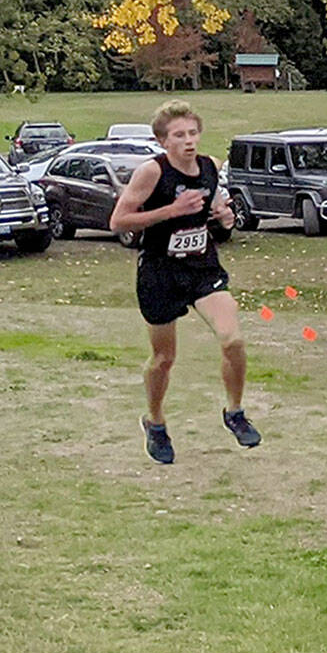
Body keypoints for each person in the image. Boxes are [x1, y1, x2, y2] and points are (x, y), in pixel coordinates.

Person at [110, 99, 261, 464]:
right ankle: (155, 421)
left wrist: (223, 216)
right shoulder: (152, 172)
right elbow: (118, 222)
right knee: (164, 358)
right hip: (160, 271)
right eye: (179, 135)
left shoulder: (209, 167)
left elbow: (217, 207)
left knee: (233, 339)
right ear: (163, 141)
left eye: (193, 133)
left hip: (202, 267)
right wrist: (170, 212)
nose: (189, 141)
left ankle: (235, 412)